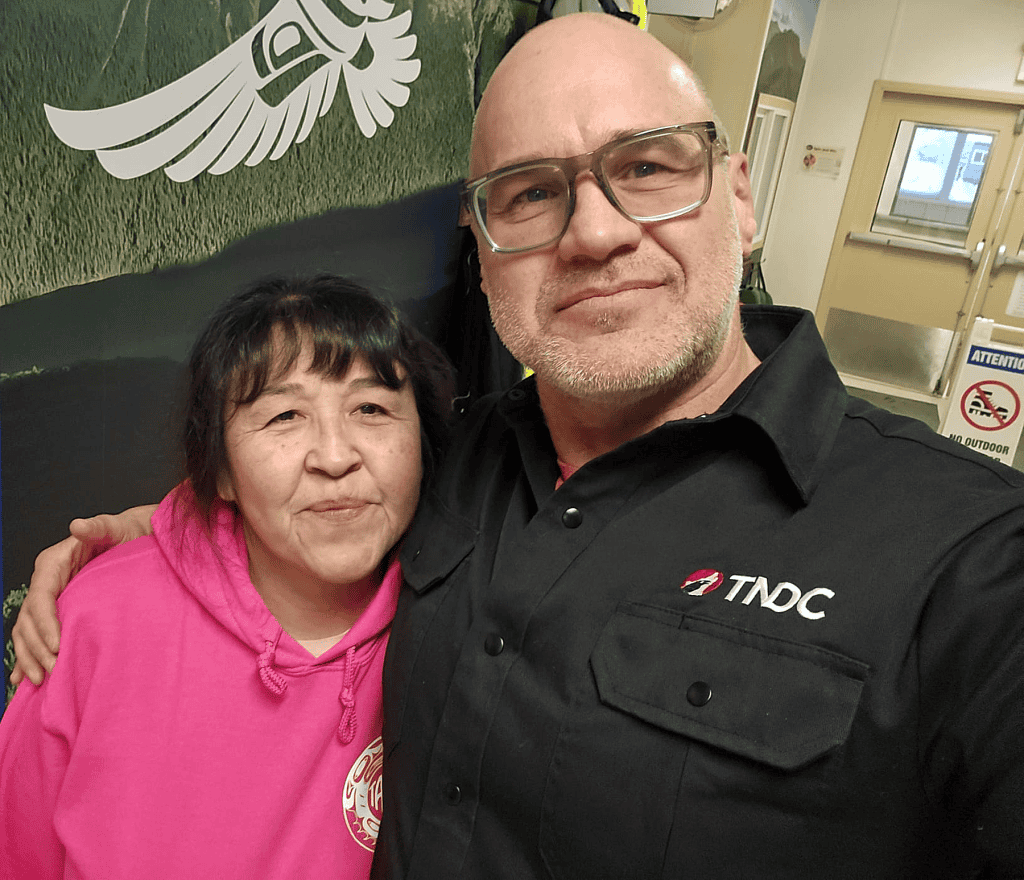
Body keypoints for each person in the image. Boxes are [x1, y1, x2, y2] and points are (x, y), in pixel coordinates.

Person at [12, 12, 1024, 878]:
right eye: (531, 194)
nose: (594, 234)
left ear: (740, 197)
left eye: (646, 166)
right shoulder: (448, 456)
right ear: (484, 248)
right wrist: (142, 544)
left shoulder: (972, 565)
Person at [1, 275, 453, 877]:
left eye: (370, 408)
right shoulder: (97, 622)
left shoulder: (465, 609)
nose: (335, 456)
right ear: (221, 473)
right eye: (285, 415)